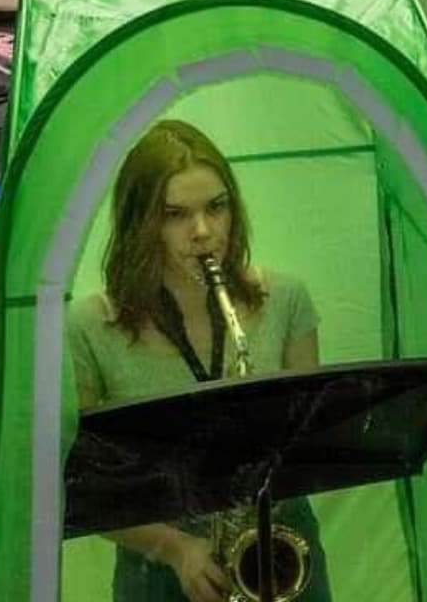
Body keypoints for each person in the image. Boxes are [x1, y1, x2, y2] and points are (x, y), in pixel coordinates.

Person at [66, 119, 331, 602]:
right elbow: (89, 487)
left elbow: (304, 452)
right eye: (174, 214)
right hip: (159, 564)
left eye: (217, 207)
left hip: (277, 546)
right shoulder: (88, 326)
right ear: (139, 223)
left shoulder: (287, 299)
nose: (203, 232)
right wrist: (174, 548)